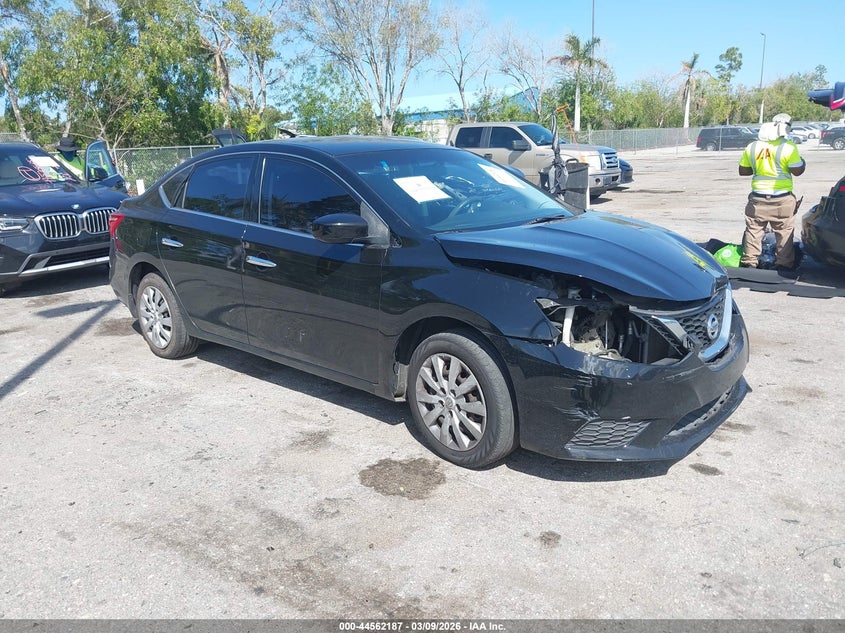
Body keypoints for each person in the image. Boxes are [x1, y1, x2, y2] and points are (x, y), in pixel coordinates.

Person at [738, 113, 805, 271]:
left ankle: (750, 262)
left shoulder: (752, 147)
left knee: (754, 230)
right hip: (782, 199)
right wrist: (803, 163)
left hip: (757, 198)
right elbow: (797, 170)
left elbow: (743, 170)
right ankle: (784, 265)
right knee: (784, 231)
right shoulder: (788, 147)